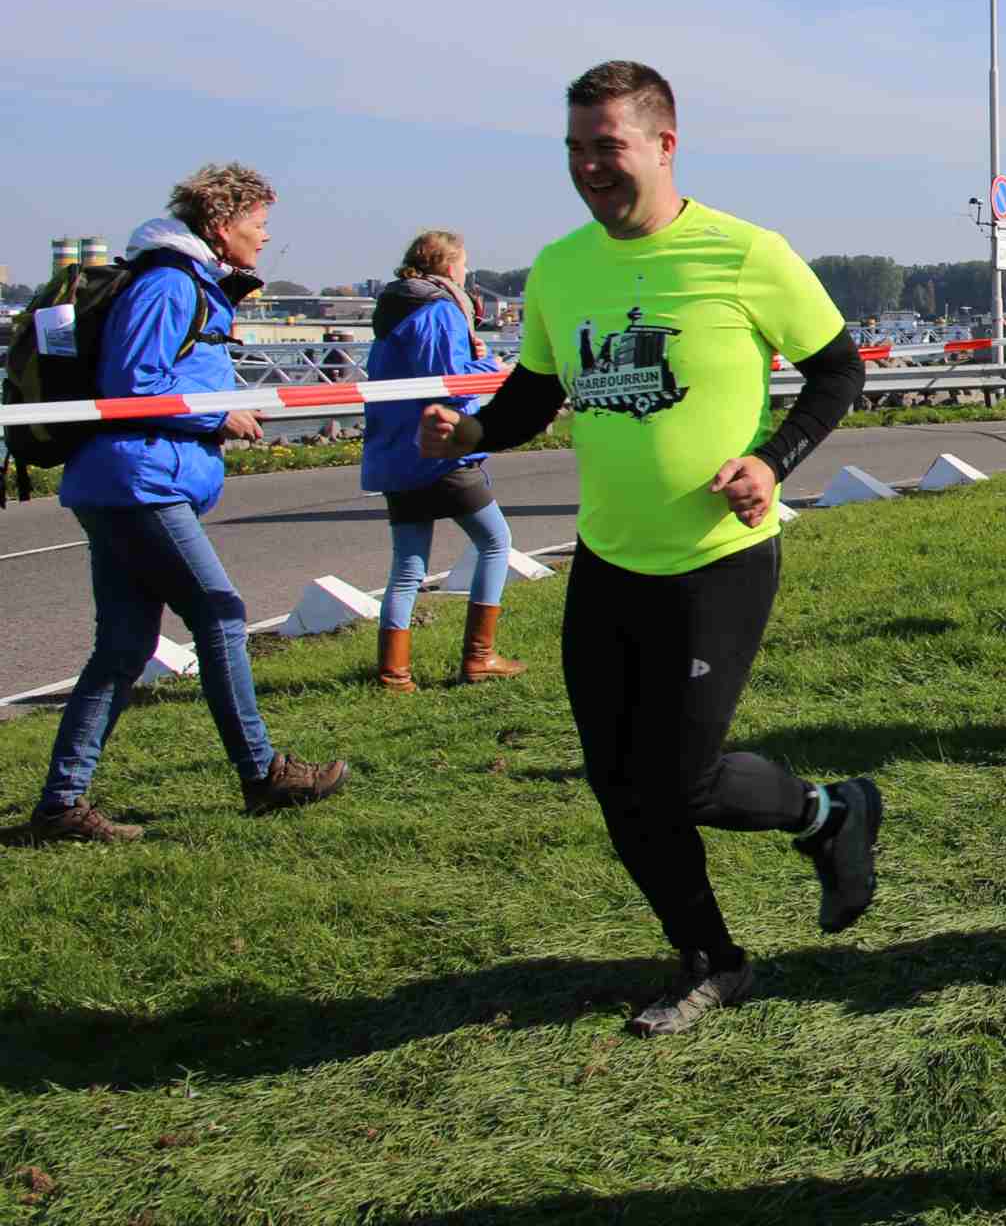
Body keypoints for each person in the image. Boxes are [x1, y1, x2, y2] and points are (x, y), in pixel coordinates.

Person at [418, 61, 880, 1037]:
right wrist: (472, 431)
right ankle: (711, 958)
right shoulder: (560, 267)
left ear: (665, 145)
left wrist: (773, 461)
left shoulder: (745, 253)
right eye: (575, 148)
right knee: (619, 783)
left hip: (717, 559)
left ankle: (831, 814)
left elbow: (839, 371)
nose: (588, 165)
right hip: (608, 563)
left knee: (681, 777)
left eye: (608, 146)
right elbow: (537, 392)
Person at [29, 166, 351, 844]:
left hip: (127, 481)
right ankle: (263, 773)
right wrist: (216, 417)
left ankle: (60, 806)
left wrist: (218, 410)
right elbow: (132, 386)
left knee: (122, 649)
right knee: (221, 614)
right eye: (259, 224)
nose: (266, 238)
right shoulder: (170, 283)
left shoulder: (187, 280)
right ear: (221, 223)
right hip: (139, 483)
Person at [361, 229, 519, 693]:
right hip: (440, 453)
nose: (467, 274)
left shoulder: (394, 310)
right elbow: (449, 382)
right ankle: (479, 656)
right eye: (465, 265)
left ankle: (394, 673)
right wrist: (493, 369)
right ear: (450, 267)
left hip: (395, 455)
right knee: (496, 542)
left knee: (408, 567)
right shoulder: (438, 309)